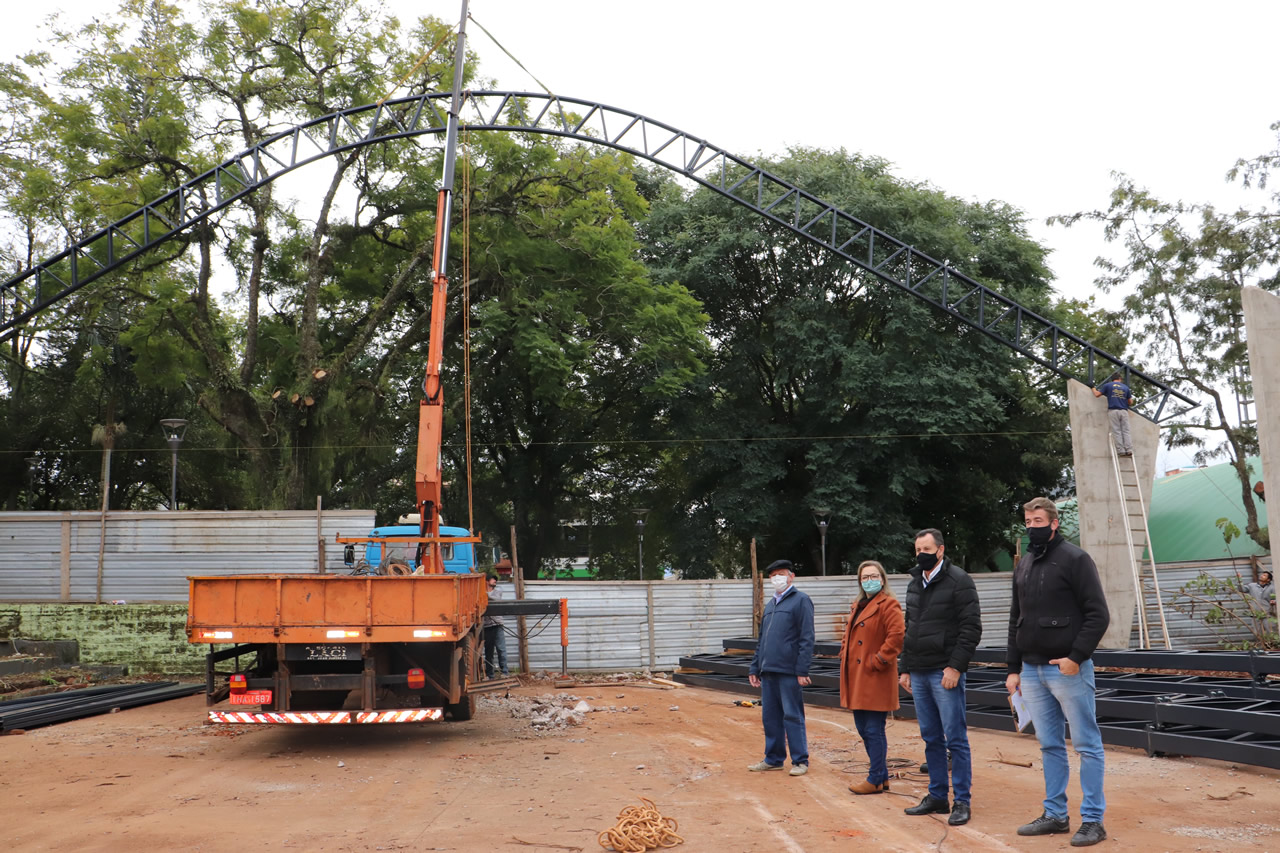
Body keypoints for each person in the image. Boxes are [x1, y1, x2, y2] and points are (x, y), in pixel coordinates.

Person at [1006, 497, 1111, 848]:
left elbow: (1098, 614)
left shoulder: (1076, 559)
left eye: (1038, 520)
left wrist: (1076, 657)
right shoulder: (1024, 565)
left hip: (1067, 669)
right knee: (1049, 744)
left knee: (1087, 745)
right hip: (1032, 671)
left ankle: (1093, 820)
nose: (1032, 525)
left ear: (1053, 523)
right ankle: (1055, 815)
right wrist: (1014, 667)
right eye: (1028, 520)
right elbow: (1014, 617)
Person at [899, 528, 982, 827]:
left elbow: (971, 628)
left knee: (955, 739)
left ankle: (962, 800)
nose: (921, 553)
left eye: (927, 548)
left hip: (944, 672)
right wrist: (904, 667)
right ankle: (937, 795)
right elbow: (910, 628)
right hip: (919, 672)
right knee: (931, 737)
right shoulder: (914, 584)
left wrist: (955, 667)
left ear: (941, 550)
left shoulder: (959, 581)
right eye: (918, 548)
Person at [840, 560, 905, 795]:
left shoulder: (889, 604)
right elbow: (849, 635)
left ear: (883, 578)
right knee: (862, 726)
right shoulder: (858, 604)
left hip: (875, 676)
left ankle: (875, 778)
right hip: (857, 675)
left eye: (873, 576)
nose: (869, 580)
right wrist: (844, 652)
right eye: (865, 577)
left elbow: (896, 636)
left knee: (873, 728)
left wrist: (878, 660)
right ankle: (882, 775)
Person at [747, 559, 815, 777]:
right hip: (769, 672)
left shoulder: (801, 601)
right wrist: (754, 667)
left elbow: (807, 638)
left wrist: (802, 670)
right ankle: (774, 759)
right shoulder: (770, 605)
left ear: (791, 576)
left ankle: (800, 760)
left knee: (792, 715)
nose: (778, 578)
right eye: (774, 575)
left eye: (782, 574)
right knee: (771, 717)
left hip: (788, 671)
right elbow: (762, 641)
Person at [1092, 372, 1134, 456]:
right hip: (1123, 411)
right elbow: (1130, 402)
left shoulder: (1108, 385)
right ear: (1120, 379)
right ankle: (1129, 449)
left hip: (1113, 411)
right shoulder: (1125, 387)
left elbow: (1097, 394)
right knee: (1126, 431)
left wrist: (1092, 387)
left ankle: (1121, 450)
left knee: (1117, 431)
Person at [482, 574, 510, 678]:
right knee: (488, 651)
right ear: (487, 581)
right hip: (486, 626)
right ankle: (490, 674)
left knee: (501, 649)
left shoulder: (498, 592)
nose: (495, 582)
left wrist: (483, 595)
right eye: (493, 580)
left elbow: (494, 599)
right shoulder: (481, 593)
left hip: (497, 624)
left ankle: (505, 672)